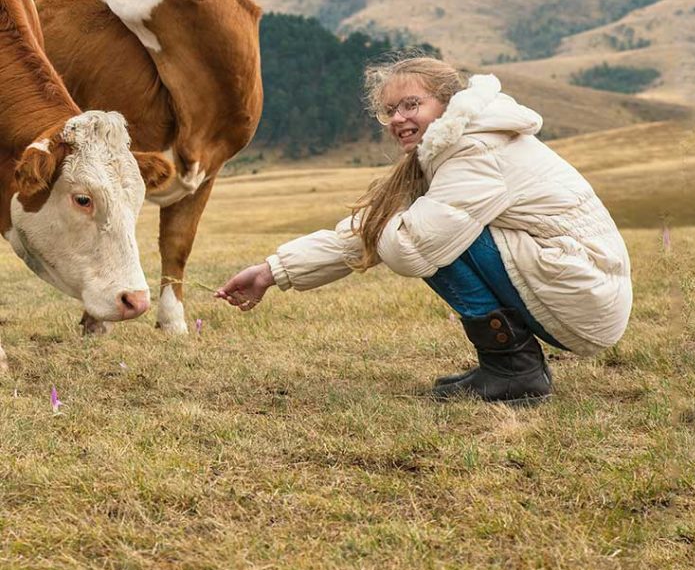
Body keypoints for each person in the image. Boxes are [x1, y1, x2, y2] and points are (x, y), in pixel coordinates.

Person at [216, 56, 632, 405]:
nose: (397, 119)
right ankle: (508, 365)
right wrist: (272, 272)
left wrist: (397, 218)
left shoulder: (476, 149)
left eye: (411, 104)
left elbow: (409, 246)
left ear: (447, 104)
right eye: (389, 110)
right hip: (575, 284)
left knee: (432, 239)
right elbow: (370, 233)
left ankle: (514, 370)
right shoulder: (451, 148)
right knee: (425, 228)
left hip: (584, 294)